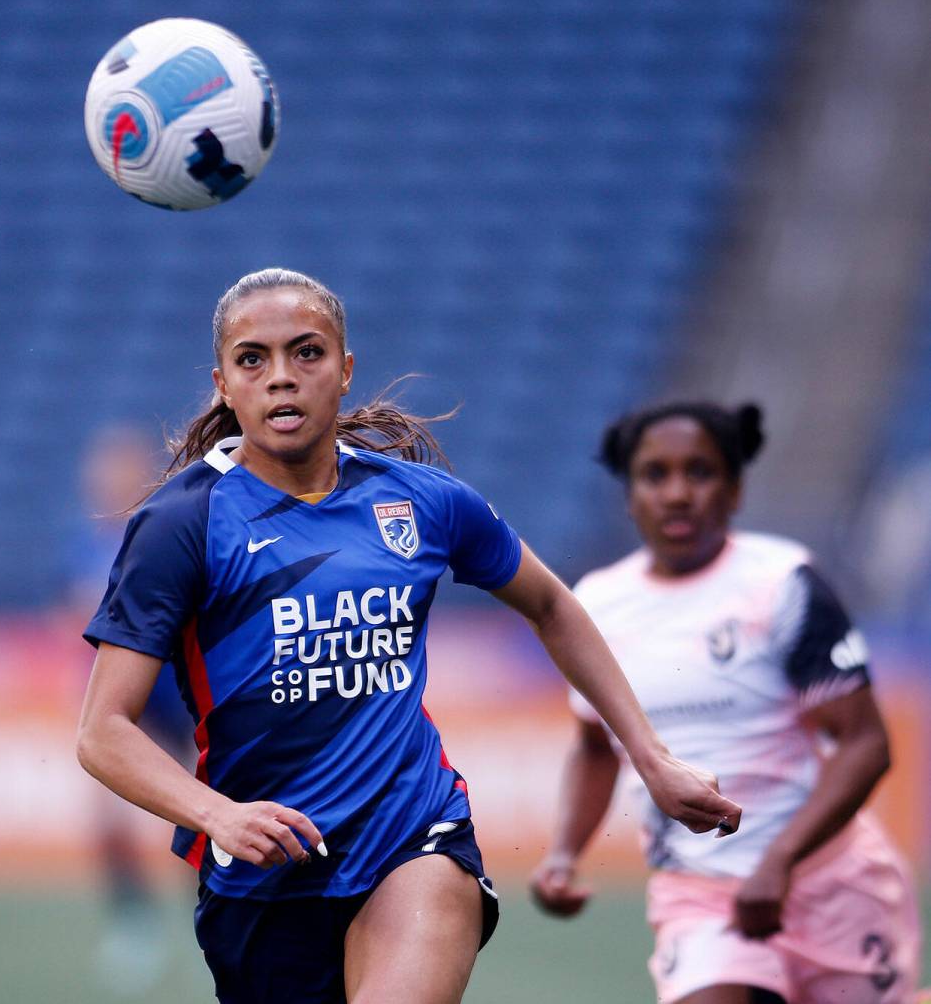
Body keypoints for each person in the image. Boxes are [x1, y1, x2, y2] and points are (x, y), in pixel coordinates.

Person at [75, 269, 741, 1004]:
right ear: (224, 383)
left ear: (345, 368)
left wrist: (653, 757)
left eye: (306, 352)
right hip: (262, 878)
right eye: (253, 359)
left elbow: (553, 605)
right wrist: (219, 814)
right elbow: (104, 730)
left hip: (413, 832)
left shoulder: (420, 501)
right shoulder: (179, 525)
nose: (282, 379)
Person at [530, 401, 922, 1004]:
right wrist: (564, 854)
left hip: (829, 882)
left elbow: (866, 743)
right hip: (700, 892)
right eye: (655, 475)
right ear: (630, 494)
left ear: (735, 489)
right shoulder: (597, 605)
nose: (678, 493)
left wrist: (782, 860)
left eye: (701, 472)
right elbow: (594, 746)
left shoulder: (783, 583)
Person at [68, 424, 195, 992]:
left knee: (199, 811)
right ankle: (133, 923)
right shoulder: (85, 546)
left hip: (178, 699)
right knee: (105, 814)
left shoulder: (166, 531)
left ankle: (210, 917)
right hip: (125, 706)